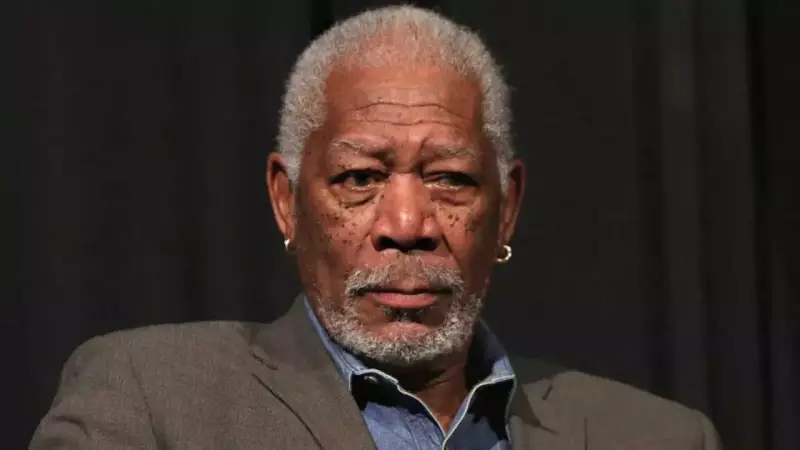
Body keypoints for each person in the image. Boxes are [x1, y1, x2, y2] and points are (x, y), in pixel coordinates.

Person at [30, 5, 721, 450]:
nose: (408, 225)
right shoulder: (152, 397)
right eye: (360, 178)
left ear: (507, 206)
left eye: (450, 178)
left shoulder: (655, 436)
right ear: (286, 201)